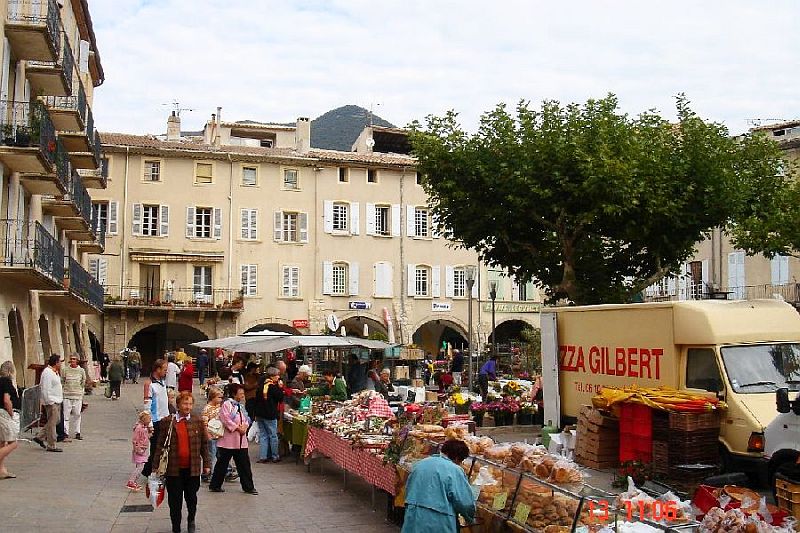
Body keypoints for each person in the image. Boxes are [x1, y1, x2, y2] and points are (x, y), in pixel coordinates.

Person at [153, 391, 211, 533]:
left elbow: (204, 444)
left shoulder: (197, 421)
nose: (188, 407)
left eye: (190, 404)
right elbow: (160, 445)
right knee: (175, 501)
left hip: (192, 469)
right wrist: (155, 466)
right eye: (185, 403)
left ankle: (191, 520)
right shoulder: (168, 422)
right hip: (173, 469)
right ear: (178, 405)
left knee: (192, 498)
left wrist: (207, 464)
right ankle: (176, 527)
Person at [401, 439, 476, 533]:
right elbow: (465, 502)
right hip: (438, 520)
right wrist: (470, 518)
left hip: (414, 516)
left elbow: (409, 488)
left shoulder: (420, 464)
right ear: (457, 458)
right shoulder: (455, 470)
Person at [209, 384, 257, 495]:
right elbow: (225, 419)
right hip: (228, 441)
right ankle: (215, 485)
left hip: (241, 441)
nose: (242, 396)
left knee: (244, 465)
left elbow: (246, 418)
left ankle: (248, 487)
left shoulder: (241, 406)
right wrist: (237, 428)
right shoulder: (227, 404)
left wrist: (245, 427)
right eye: (240, 393)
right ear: (234, 394)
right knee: (222, 464)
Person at [142, 359, 170, 477]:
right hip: (156, 420)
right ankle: (150, 471)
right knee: (155, 448)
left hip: (165, 418)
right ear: (157, 369)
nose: (166, 372)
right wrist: (149, 424)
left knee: (163, 447)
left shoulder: (162, 382)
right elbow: (147, 405)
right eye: (164, 369)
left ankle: (153, 469)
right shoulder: (149, 384)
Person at [34, 354, 64, 452]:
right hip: (52, 401)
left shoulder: (54, 372)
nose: (60, 364)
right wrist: (49, 401)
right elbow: (45, 388)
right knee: (52, 423)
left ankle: (40, 436)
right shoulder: (47, 372)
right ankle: (51, 444)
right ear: (56, 363)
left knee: (55, 420)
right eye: (59, 362)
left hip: (57, 399)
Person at [253, 367, 284, 464]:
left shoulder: (261, 385)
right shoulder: (273, 387)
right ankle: (275, 456)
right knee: (273, 435)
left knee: (263, 435)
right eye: (277, 375)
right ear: (273, 376)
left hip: (260, 413)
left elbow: (256, 400)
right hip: (270, 414)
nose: (278, 377)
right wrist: (280, 387)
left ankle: (263, 456)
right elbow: (280, 398)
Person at [0, 361, 20, 478]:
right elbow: (6, 400)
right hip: (4, 414)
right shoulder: (6, 381)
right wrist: (11, 413)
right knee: (13, 443)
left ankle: (1, 470)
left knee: (2, 442)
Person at [200, 386, 224, 482]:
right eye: (219, 397)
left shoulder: (219, 407)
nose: (221, 399)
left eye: (221, 397)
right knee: (211, 455)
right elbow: (204, 423)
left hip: (219, 435)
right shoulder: (207, 409)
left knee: (220, 454)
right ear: (212, 397)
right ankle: (208, 472)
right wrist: (207, 434)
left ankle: (224, 470)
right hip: (211, 435)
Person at [61, 353, 86, 440]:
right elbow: (62, 381)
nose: (72, 360)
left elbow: (83, 381)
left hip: (77, 396)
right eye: (71, 359)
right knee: (66, 415)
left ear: (77, 361)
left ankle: (77, 432)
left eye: (74, 359)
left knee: (77, 414)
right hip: (67, 395)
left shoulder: (81, 370)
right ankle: (65, 432)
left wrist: (80, 390)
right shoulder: (65, 370)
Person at [128, 411, 152, 491]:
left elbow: (144, 437)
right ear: (144, 419)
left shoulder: (144, 427)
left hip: (143, 449)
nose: (150, 421)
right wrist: (138, 449)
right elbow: (135, 440)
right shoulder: (139, 428)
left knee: (140, 466)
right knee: (140, 467)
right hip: (140, 450)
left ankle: (134, 481)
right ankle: (131, 481)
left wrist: (149, 433)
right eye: (149, 419)